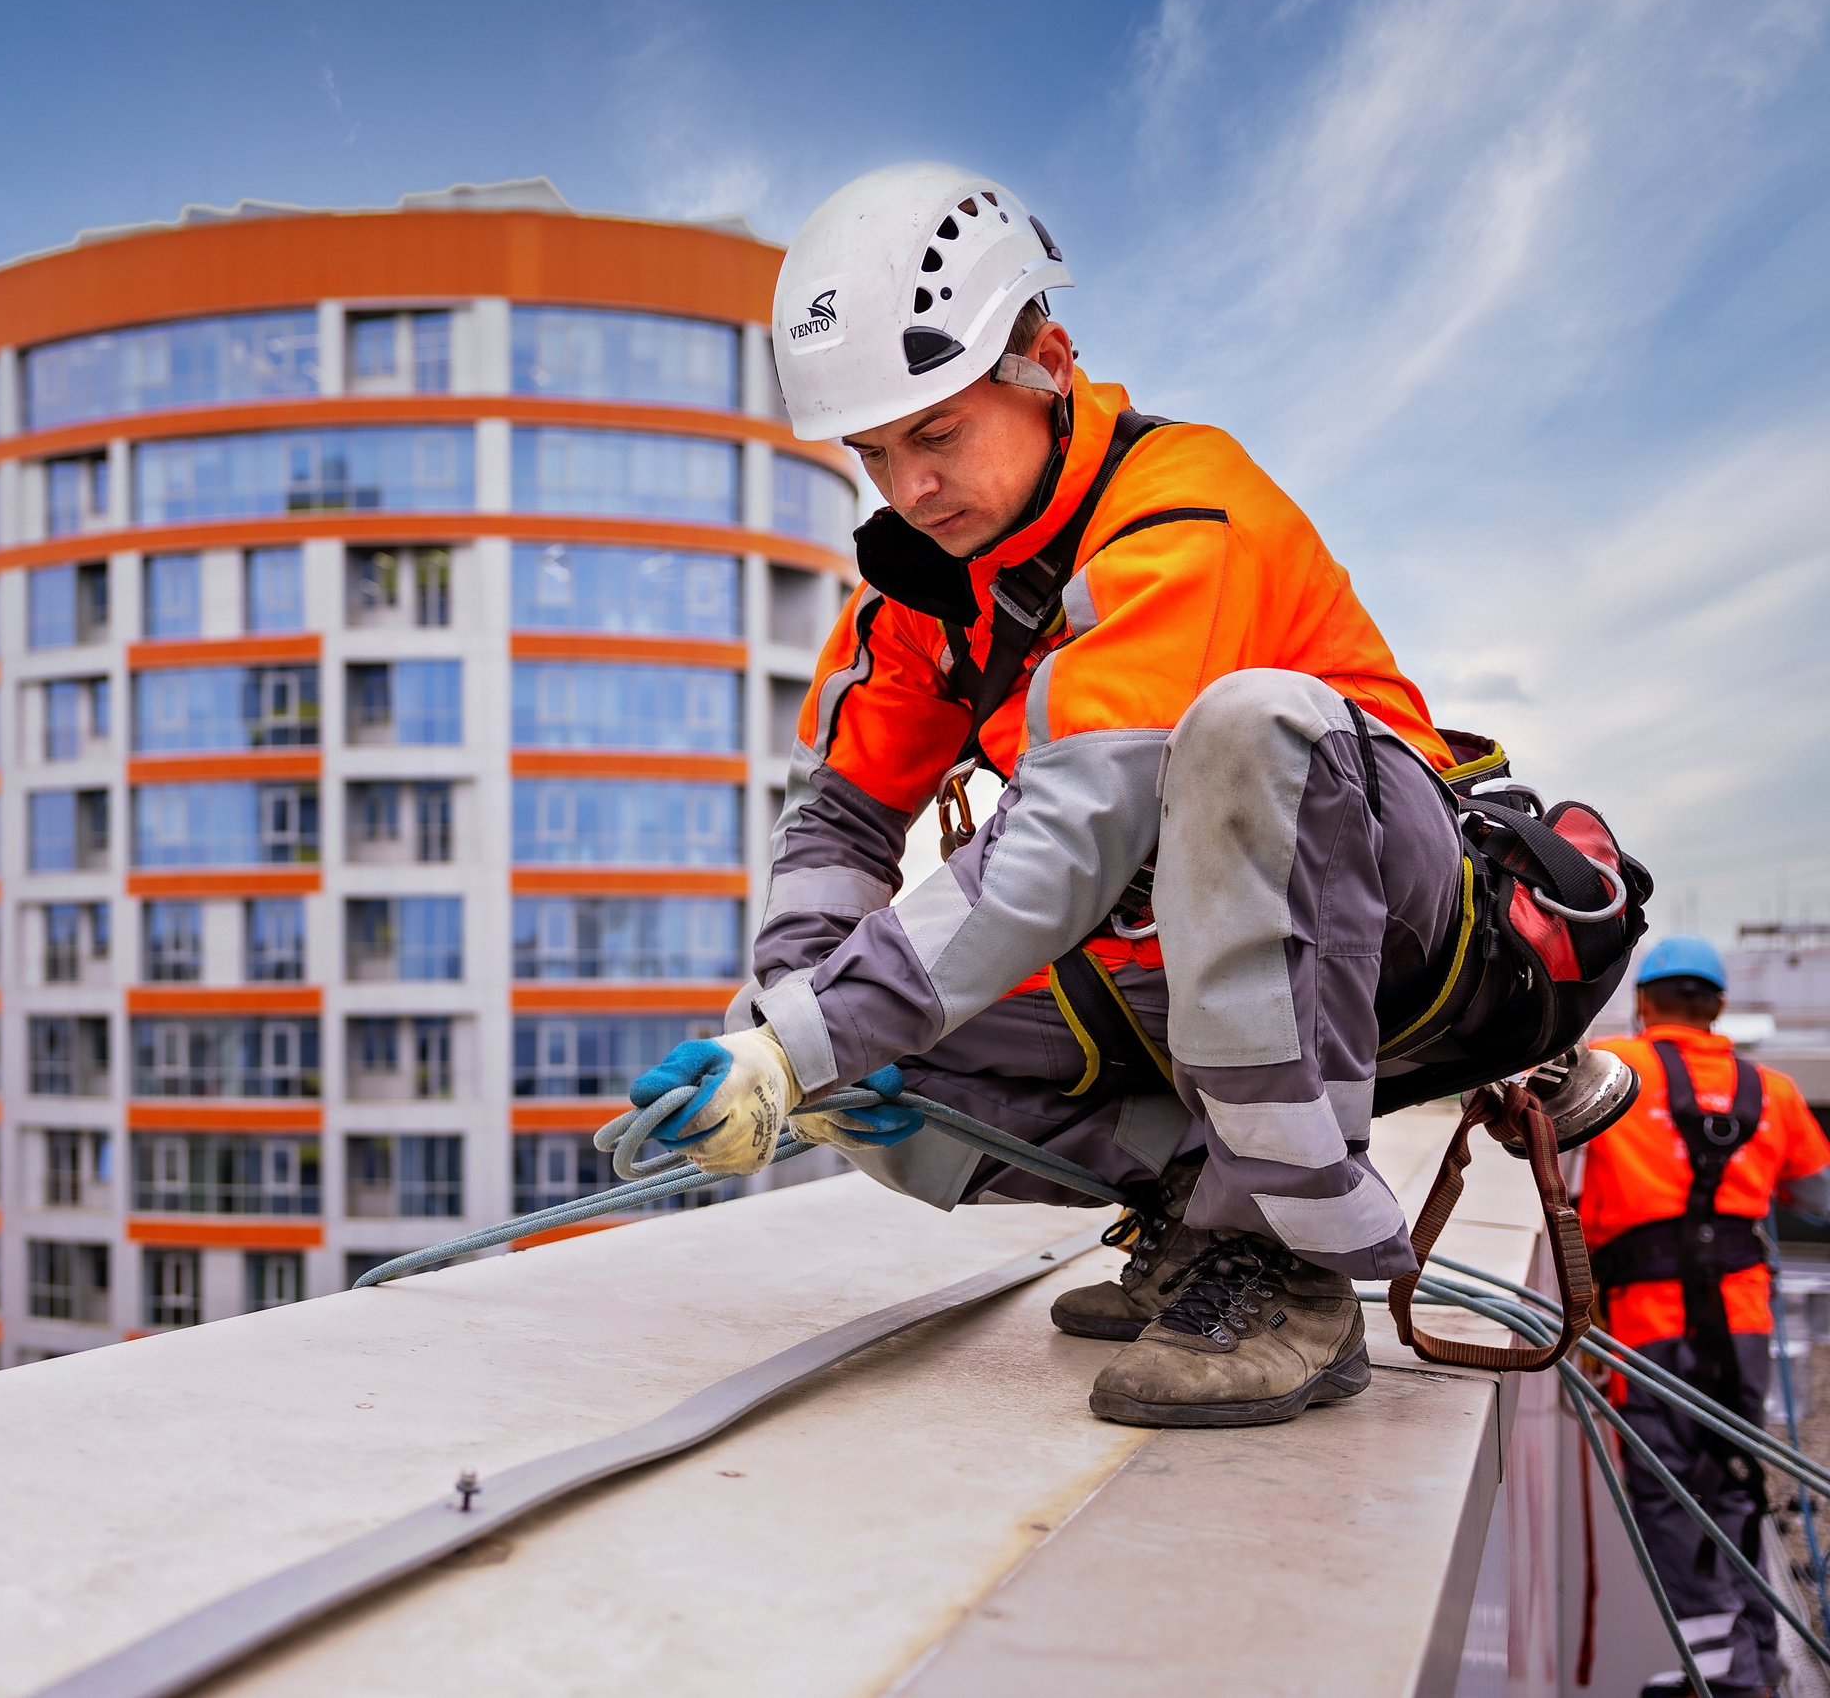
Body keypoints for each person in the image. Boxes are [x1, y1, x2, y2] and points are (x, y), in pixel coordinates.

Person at [624, 161, 1630, 1428]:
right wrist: (783, 1042)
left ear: (1044, 362)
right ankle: (1199, 1215)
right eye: (876, 453)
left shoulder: (1180, 509)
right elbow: (837, 819)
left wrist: (809, 1035)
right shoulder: (926, 602)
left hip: (1405, 934)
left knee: (1242, 729)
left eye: (936, 434)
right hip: (1187, 972)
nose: (910, 489)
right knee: (807, 1018)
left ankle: (1289, 1263)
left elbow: (1065, 833)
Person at [1580, 935, 1830, 1698]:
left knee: (1667, 1491)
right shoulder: (1775, 1093)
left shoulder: (1609, 1067)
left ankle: (1720, 1678)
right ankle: (1750, 1664)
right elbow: (1819, 1197)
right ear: (1718, 1007)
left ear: (1645, 1002)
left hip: (1645, 1324)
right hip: (1743, 1322)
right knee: (1734, 1487)